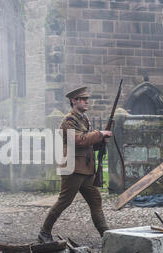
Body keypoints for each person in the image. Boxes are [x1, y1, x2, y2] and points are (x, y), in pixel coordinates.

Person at [38, 87, 112, 243]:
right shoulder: (69, 120)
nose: (86, 101)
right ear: (74, 101)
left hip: (85, 169)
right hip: (72, 168)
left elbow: (88, 144)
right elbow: (79, 140)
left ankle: (107, 236)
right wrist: (99, 134)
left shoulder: (83, 119)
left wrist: (101, 141)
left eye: (87, 99)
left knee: (95, 201)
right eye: (83, 99)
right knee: (64, 201)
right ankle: (44, 233)